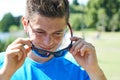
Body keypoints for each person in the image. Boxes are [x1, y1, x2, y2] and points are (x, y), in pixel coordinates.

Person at [0, 0, 107, 80]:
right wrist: (5, 74)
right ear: (25, 24)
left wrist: (95, 71)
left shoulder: (81, 68)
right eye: (40, 32)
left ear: (67, 27)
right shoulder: (3, 63)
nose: (48, 42)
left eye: (58, 33)